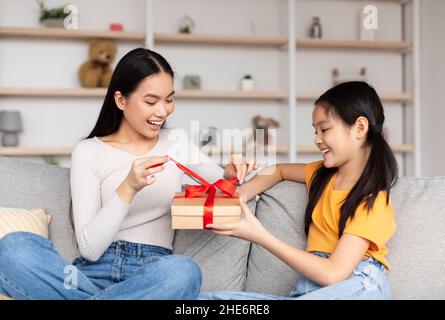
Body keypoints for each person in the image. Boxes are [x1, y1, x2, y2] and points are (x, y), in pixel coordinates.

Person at [0, 48, 256, 300]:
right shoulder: (88, 151)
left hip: (152, 274)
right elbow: (90, 249)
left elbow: (225, 187)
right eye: (151, 101)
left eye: (169, 99)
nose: (163, 111)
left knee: (183, 271)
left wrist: (233, 174)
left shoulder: (176, 141)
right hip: (88, 276)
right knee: (13, 247)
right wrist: (127, 189)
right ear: (121, 100)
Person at [201, 81, 398, 300]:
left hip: (357, 286)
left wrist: (260, 236)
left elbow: (334, 273)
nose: (317, 140)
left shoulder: (373, 199)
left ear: (359, 128)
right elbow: (279, 170)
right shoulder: (322, 176)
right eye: (316, 131)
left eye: (324, 129)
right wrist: (243, 192)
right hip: (311, 289)